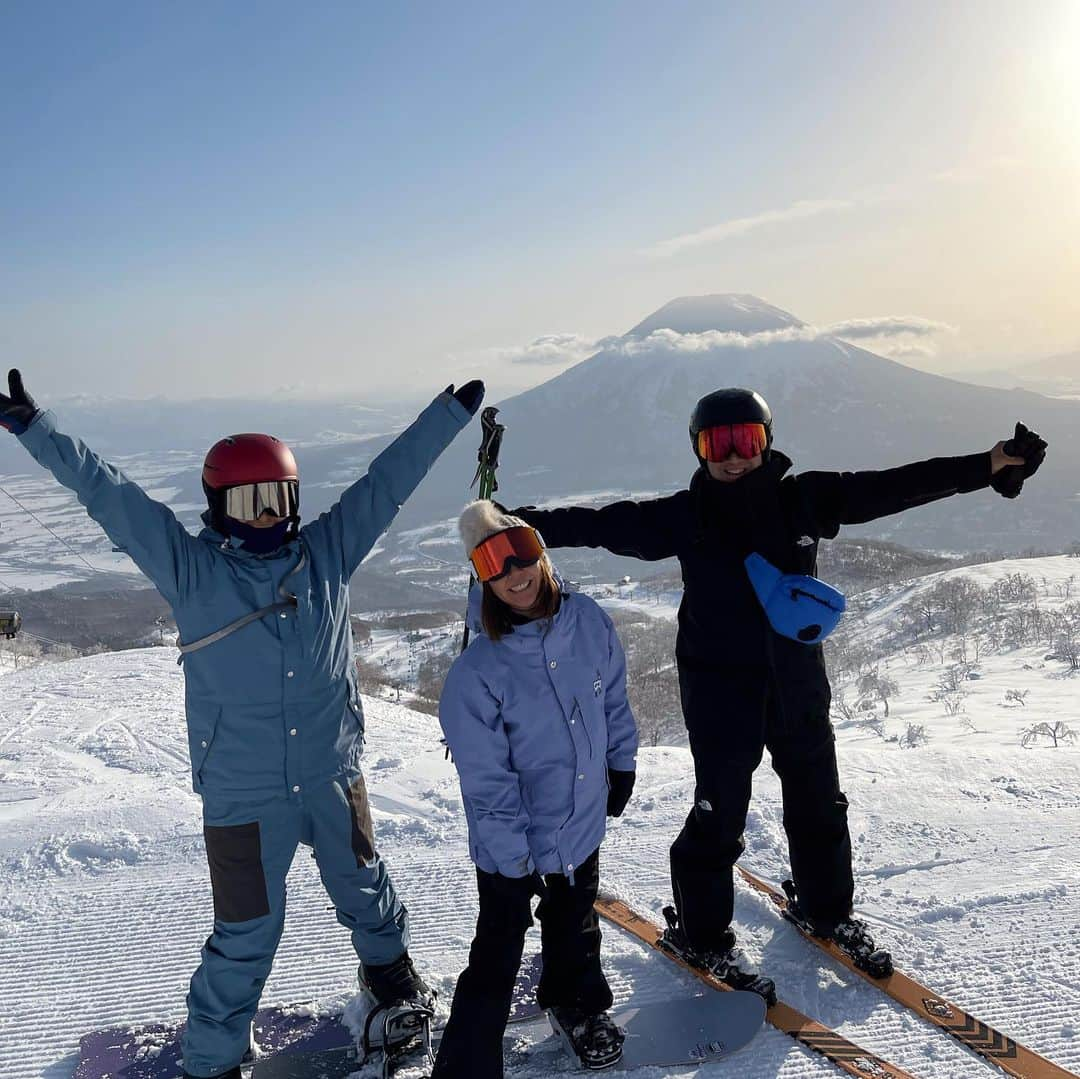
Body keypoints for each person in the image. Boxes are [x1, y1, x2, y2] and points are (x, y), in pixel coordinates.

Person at [0, 369, 485, 1079]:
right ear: (219, 505)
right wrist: (36, 429)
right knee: (246, 934)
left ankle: (392, 981)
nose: (266, 514)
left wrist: (445, 416)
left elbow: (386, 482)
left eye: (278, 498)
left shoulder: (327, 553)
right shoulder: (191, 571)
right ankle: (215, 1059)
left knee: (365, 887)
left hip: (331, 771)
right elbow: (113, 496)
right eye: (250, 500)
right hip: (243, 792)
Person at [511, 387, 1047, 985]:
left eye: (748, 440)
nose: (734, 456)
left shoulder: (806, 500)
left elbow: (895, 486)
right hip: (718, 690)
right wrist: (514, 525)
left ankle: (826, 911)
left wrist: (988, 464)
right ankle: (701, 933)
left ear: (767, 442)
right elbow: (599, 525)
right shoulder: (684, 517)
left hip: (797, 682)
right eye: (719, 443)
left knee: (820, 800)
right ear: (698, 449)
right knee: (720, 811)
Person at [432, 501, 638, 1077]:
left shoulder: (589, 621)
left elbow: (613, 699)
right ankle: (467, 1063)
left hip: (579, 822)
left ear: (540, 552)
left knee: (574, 923)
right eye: (493, 564)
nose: (513, 574)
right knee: (498, 950)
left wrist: (621, 762)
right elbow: (486, 782)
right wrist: (511, 856)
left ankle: (577, 1007)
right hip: (512, 844)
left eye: (520, 553)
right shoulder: (477, 673)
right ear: (481, 577)